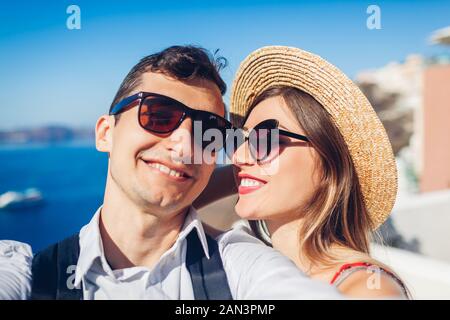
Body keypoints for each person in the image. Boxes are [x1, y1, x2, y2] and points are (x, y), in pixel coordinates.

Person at [0, 45, 340, 300]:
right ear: (106, 133)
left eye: (210, 131)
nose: (184, 146)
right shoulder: (24, 273)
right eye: (159, 115)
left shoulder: (242, 266)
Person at [199, 46, 410, 299]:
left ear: (329, 164)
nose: (237, 155)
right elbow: (163, 206)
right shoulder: (243, 259)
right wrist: (249, 173)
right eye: (238, 140)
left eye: (266, 139)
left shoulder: (365, 290)